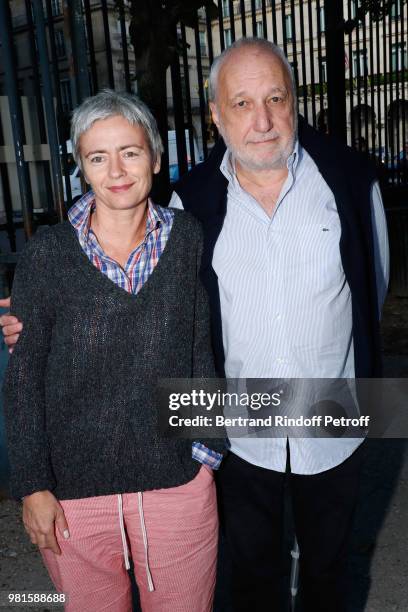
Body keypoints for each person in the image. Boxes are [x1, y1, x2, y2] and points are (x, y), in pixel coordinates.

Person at [1, 39, 389, 612]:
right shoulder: (194, 202)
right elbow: (162, 313)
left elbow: (372, 289)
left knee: (333, 572)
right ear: (215, 114)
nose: (261, 121)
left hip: (333, 412)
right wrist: (37, 325)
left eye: (274, 98)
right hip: (238, 424)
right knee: (249, 575)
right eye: (240, 103)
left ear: (293, 102)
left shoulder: (352, 179)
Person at [1, 90, 224, 612]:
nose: (117, 170)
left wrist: (206, 456)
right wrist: (33, 486)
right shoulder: (48, 254)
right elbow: (25, 379)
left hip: (176, 484)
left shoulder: (188, 238)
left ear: (154, 156)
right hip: (74, 494)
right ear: (82, 168)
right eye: (98, 157)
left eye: (130, 151)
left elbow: (200, 351)